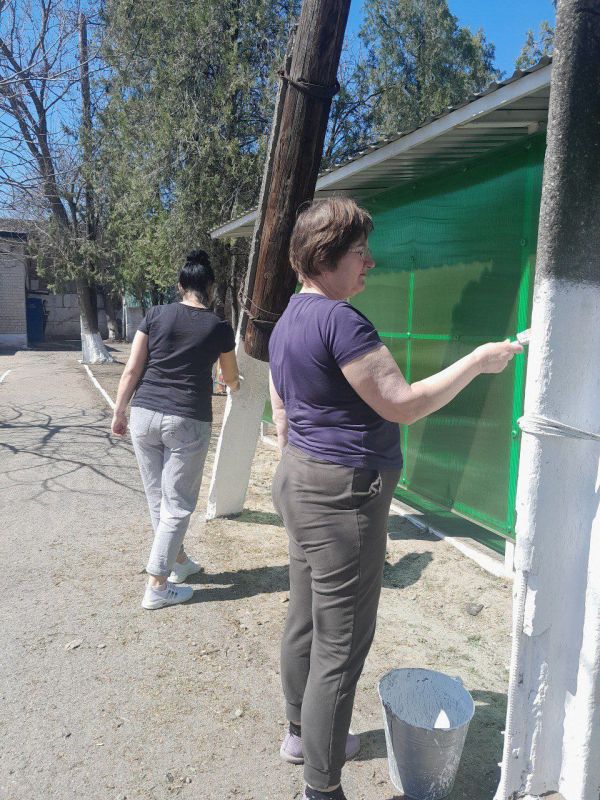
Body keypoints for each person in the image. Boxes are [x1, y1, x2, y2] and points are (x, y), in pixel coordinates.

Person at [268, 198, 522, 800]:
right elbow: (403, 404)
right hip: (344, 497)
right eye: (360, 253)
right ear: (325, 258)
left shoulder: (288, 320)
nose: (370, 263)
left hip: (300, 480)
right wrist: (478, 362)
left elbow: (283, 412)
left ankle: (301, 734)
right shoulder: (341, 321)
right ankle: (321, 788)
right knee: (340, 647)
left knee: (305, 618)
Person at [111, 250, 240, 610]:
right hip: (187, 418)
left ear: (181, 285)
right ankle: (157, 584)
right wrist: (235, 385)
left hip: (144, 414)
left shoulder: (154, 315)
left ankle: (178, 561)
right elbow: (229, 377)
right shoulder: (218, 327)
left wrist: (119, 411)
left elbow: (132, 369)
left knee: (159, 498)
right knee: (178, 503)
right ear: (210, 287)